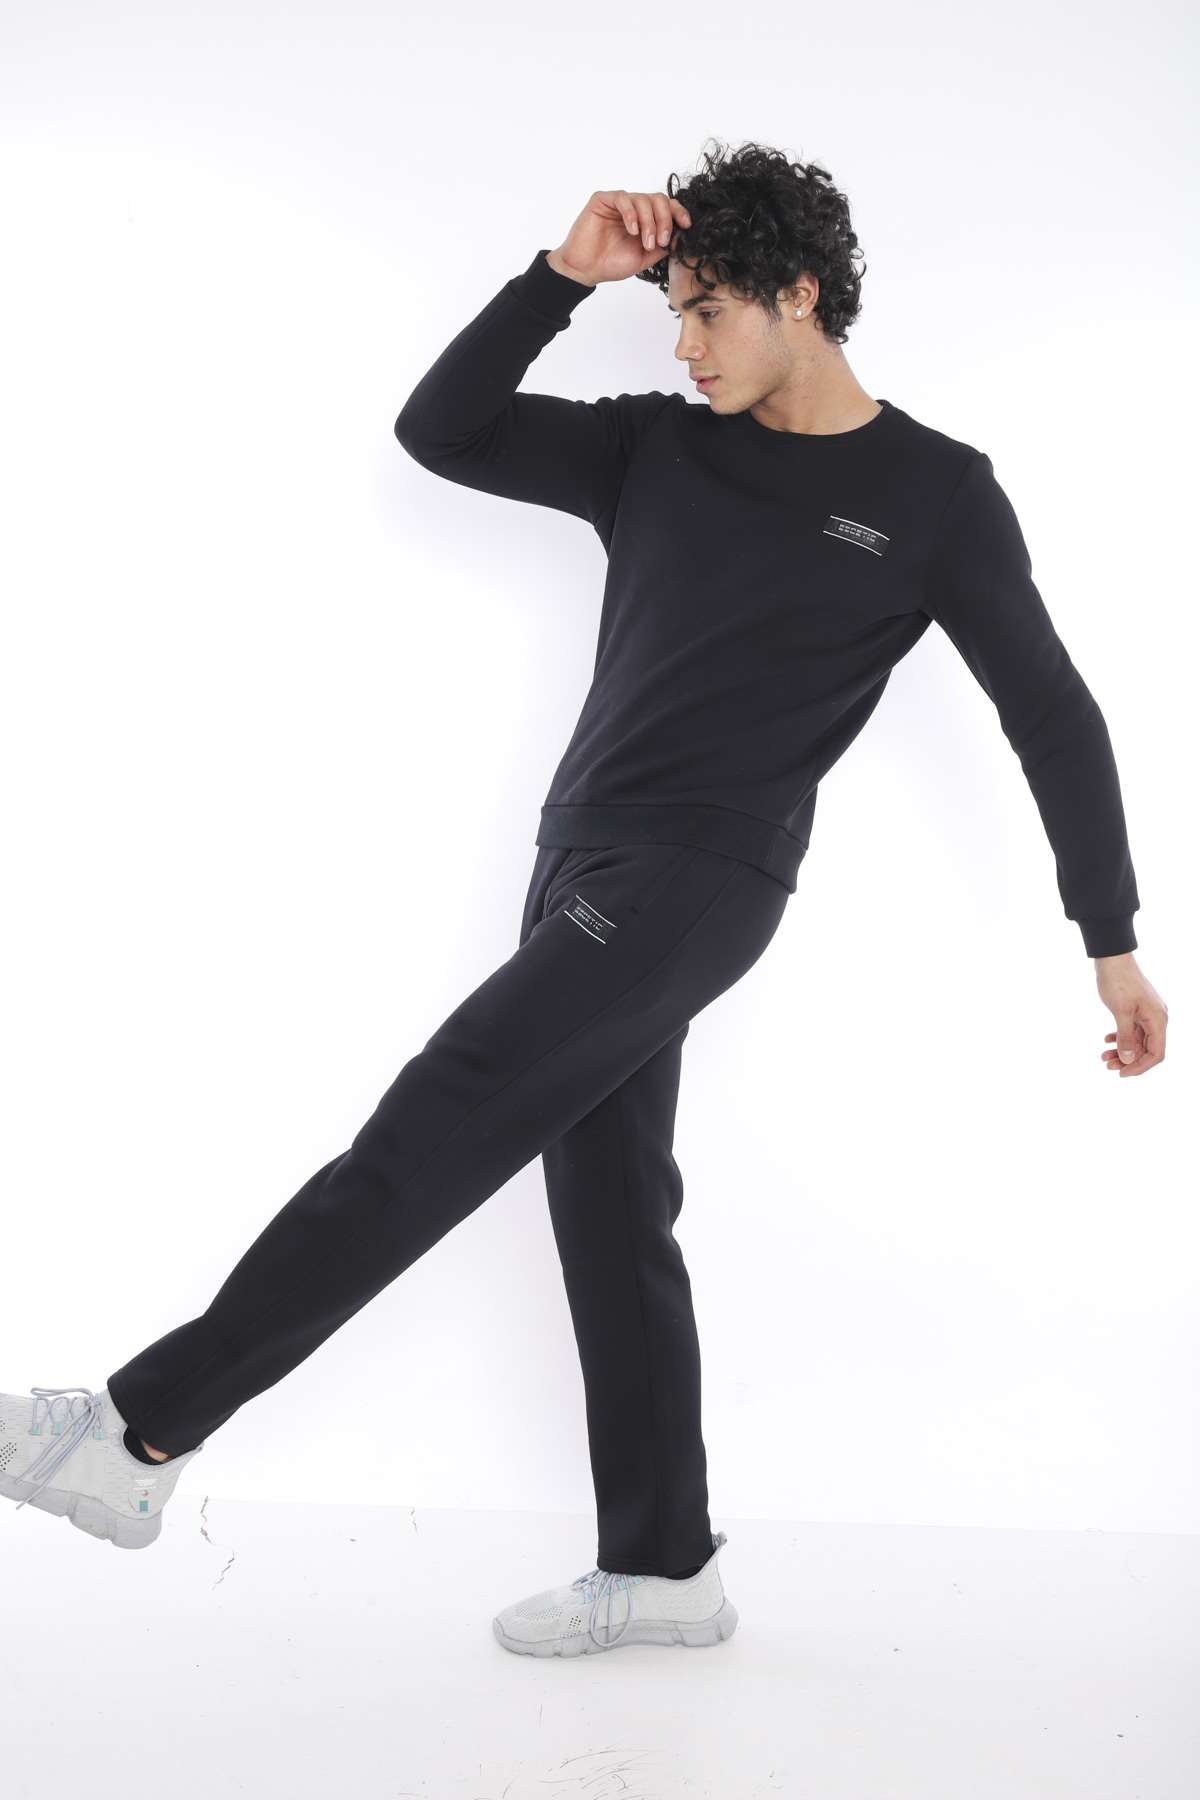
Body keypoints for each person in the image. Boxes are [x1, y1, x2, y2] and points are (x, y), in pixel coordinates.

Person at [1, 139, 1167, 1656]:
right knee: (612, 1211)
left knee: (433, 1123)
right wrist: (560, 278)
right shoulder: (653, 450)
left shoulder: (935, 493)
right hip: (581, 860)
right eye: (670, 314)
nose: (682, 348)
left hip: (703, 875)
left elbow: (1052, 713)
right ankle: (667, 1568)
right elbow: (441, 429)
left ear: (799, 295)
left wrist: (1110, 938)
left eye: (706, 312)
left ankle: (138, 1433)